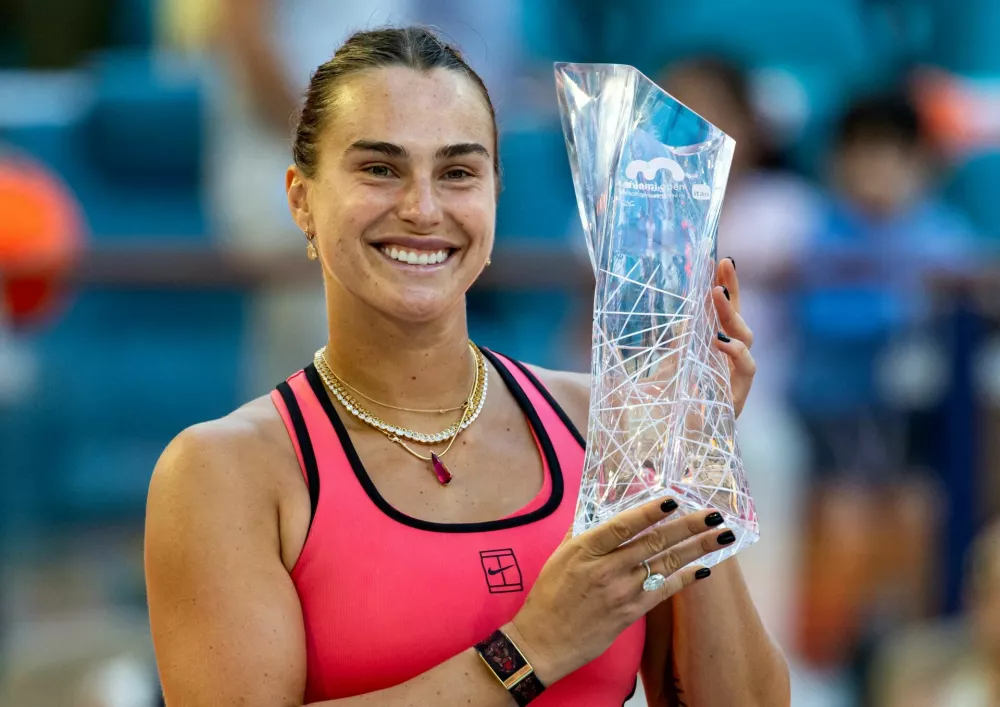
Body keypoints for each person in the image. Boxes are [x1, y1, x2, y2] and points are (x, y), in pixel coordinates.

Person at [144, 26, 789, 706]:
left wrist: (689, 457)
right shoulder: (225, 471)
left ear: (494, 195)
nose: (422, 209)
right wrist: (532, 647)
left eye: (457, 173)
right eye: (379, 169)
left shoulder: (604, 421)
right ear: (301, 198)